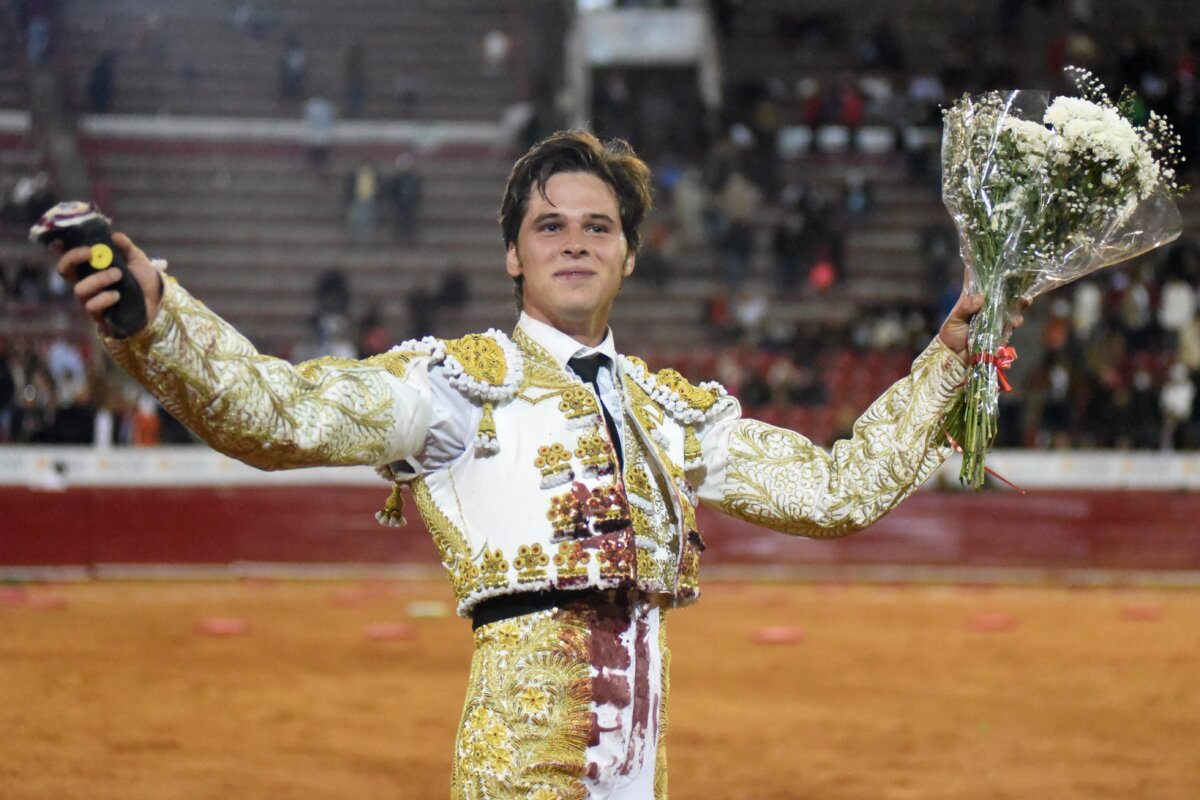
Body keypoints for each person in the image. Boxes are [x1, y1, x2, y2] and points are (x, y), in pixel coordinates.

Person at [57, 130, 995, 799]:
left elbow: (836, 493)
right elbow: (277, 414)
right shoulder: (458, 388)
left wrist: (949, 356)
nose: (576, 240)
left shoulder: (670, 411)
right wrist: (159, 321)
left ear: (629, 254)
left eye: (599, 226)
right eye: (550, 226)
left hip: (643, 769)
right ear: (512, 254)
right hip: (520, 769)